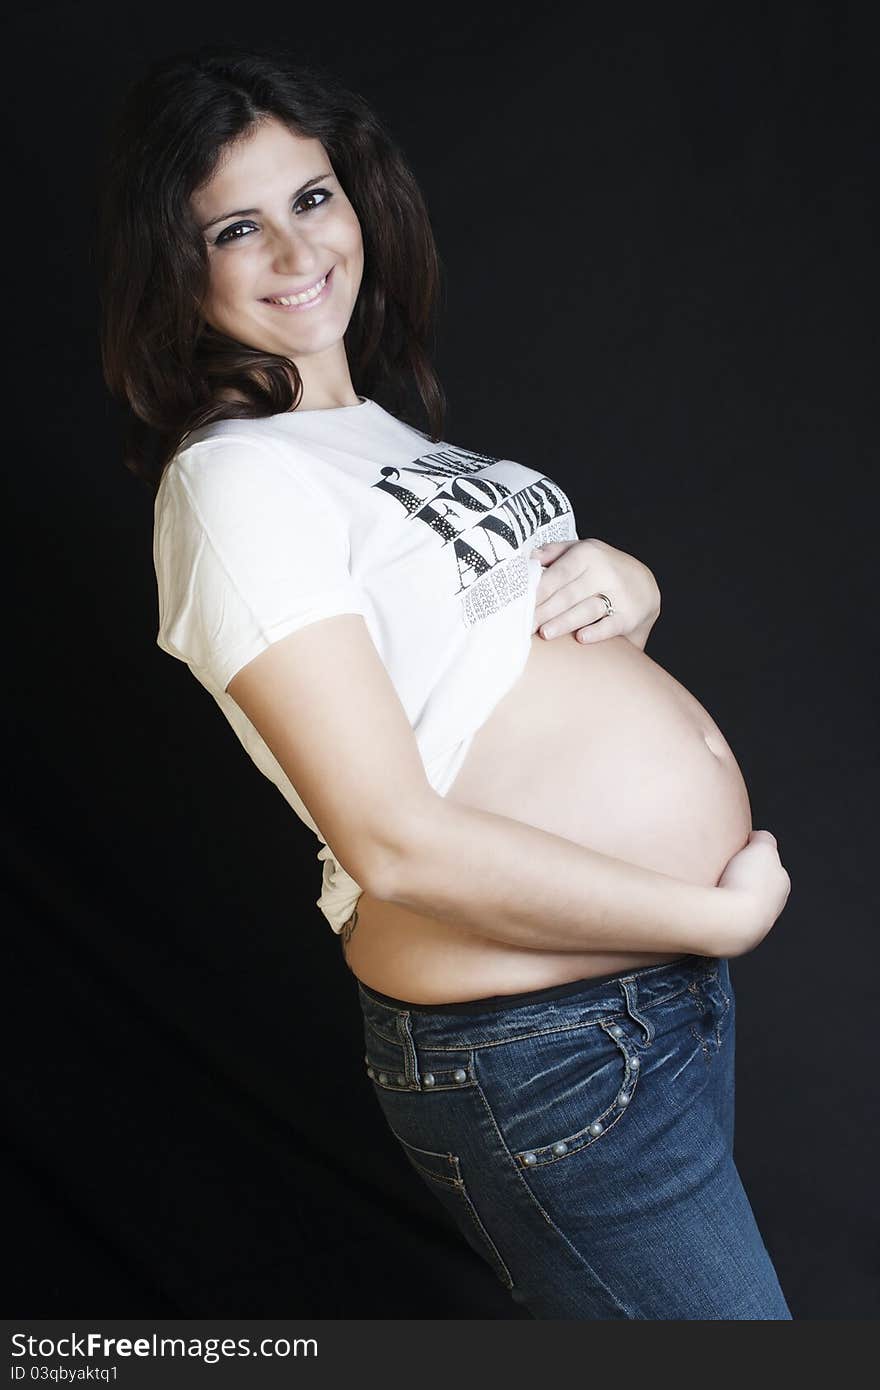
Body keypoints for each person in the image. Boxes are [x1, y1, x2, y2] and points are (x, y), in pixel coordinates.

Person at [96, 43, 793, 1319]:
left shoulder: (379, 438)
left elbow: (481, 687)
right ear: (175, 264)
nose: (298, 254)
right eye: (236, 228)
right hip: (550, 1044)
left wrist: (625, 587)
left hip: (629, 1005)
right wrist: (712, 920)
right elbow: (394, 840)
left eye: (311, 199)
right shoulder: (231, 479)